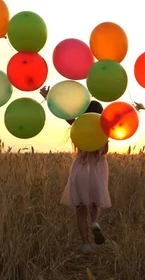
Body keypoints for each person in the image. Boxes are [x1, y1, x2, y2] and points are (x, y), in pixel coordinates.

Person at [39, 86, 111, 253]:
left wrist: (49, 96)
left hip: (80, 169)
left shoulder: (78, 125)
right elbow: (120, 121)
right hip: (98, 170)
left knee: (80, 208)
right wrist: (136, 109)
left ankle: (86, 244)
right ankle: (95, 222)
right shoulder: (104, 130)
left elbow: (64, 113)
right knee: (95, 202)